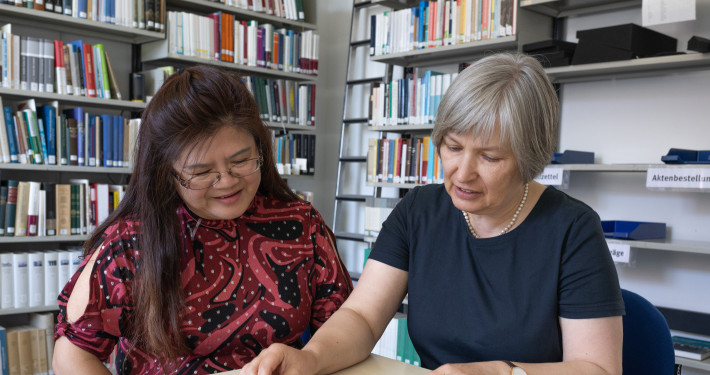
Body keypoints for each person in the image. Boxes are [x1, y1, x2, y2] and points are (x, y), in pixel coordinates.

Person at [242, 52, 625, 375]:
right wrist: (309, 359)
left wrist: (502, 372)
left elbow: (598, 368)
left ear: (530, 159)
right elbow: (362, 317)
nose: (463, 172)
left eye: (490, 157)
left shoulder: (573, 229)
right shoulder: (419, 211)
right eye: (453, 147)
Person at [52, 65, 352, 375]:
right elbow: (72, 355)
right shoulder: (130, 244)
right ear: (166, 172)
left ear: (260, 149)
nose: (226, 182)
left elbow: (348, 324)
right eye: (201, 172)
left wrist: (313, 358)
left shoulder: (300, 224)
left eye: (241, 161)